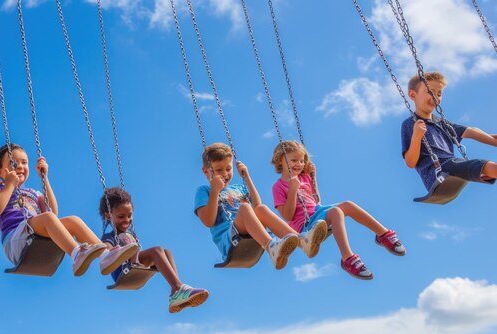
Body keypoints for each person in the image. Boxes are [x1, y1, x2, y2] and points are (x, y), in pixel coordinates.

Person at [0, 144, 137, 276]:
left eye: (24, 162)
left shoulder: (33, 193)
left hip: (33, 234)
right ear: (0, 171)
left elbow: (53, 213)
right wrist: (9, 185)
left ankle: (105, 256)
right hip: (15, 241)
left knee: (73, 220)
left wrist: (45, 178)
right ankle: (77, 254)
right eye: (13, 162)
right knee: (47, 218)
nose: (20, 166)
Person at [271, 141, 405, 280]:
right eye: (293, 160)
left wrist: (313, 178)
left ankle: (383, 234)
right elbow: (287, 215)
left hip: (317, 212)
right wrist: (293, 190)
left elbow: (316, 201)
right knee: (336, 212)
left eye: (301, 161)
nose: (299, 164)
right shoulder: (278, 187)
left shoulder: (303, 177)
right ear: (281, 159)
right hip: (305, 225)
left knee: (348, 205)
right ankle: (348, 258)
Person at [194, 142, 304, 270]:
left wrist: (246, 177)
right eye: (219, 170)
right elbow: (208, 221)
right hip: (231, 239)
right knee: (245, 207)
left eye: (228, 169)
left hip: (251, 230)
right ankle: (271, 247)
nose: (225, 174)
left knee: (261, 208)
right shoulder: (204, 191)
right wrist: (214, 191)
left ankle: (302, 241)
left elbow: (257, 206)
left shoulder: (239, 187)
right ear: (206, 171)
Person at [100, 187, 209, 313]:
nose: (127, 220)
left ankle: (176, 292)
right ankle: (179, 288)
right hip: (121, 272)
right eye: (121, 216)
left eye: (130, 215)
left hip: (133, 267)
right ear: (108, 216)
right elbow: (107, 250)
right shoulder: (109, 236)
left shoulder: (130, 234)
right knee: (156, 251)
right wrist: (113, 250)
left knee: (166, 252)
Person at [402, 71, 497, 192]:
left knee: (477, 165)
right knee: (485, 165)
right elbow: (410, 162)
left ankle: (482, 172)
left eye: (439, 93)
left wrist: (494, 140)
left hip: (452, 166)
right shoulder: (410, 124)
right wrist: (416, 136)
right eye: (430, 92)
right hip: (437, 172)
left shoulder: (442, 123)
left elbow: (471, 131)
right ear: (412, 95)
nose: (435, 97)